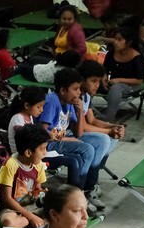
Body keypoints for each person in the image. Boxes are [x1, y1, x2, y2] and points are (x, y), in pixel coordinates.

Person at [38, 69, 106, 212]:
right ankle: (77, 194)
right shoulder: (52, 100)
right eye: (75, 89)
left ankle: (88, 188)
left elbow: (79, 132)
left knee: (101, 141)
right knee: (87, 149)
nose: (79, 93)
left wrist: (80, 111)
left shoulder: (69, 102)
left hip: (63, 138)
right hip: (48, 144)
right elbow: (41, 131)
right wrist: (68, 139)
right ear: (62, 90)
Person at [0, 125, 52, 228]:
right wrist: (30, 217)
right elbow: (7, 198)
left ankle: (34, 219)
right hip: (10, 209)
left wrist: (41, 192)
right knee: (9, 222)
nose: (45, 153)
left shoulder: (38, 164)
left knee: (58, 207)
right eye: (43, 149)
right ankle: (38, 219)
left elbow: (37, 189)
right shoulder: (10, 165)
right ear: (28, 152)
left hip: (30, 204)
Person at [76, 60, 125, 172]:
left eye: (99, 82)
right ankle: (89, 180)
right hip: (71, 132)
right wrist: (108, 131)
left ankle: (95, 169)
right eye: (93, 81)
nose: (97, 85)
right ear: (82, 80)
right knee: (103, 139)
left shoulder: (87, 96)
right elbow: (83, 127)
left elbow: (92, 120)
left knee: (113, 137)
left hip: (81, 130)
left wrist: (112, 126)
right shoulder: (75, 96)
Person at [101, 26, 144, 123]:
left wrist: (119, 80)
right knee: (90, 81)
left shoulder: (137, 58)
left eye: (119, 40)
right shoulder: (111, 53)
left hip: (131, 86)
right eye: (115, 39)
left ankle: (109, 122)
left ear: (129, 42)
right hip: (112, 83)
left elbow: (139, 80)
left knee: (116, 88)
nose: (115, 42)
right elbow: (105, 69)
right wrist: (103, 78)